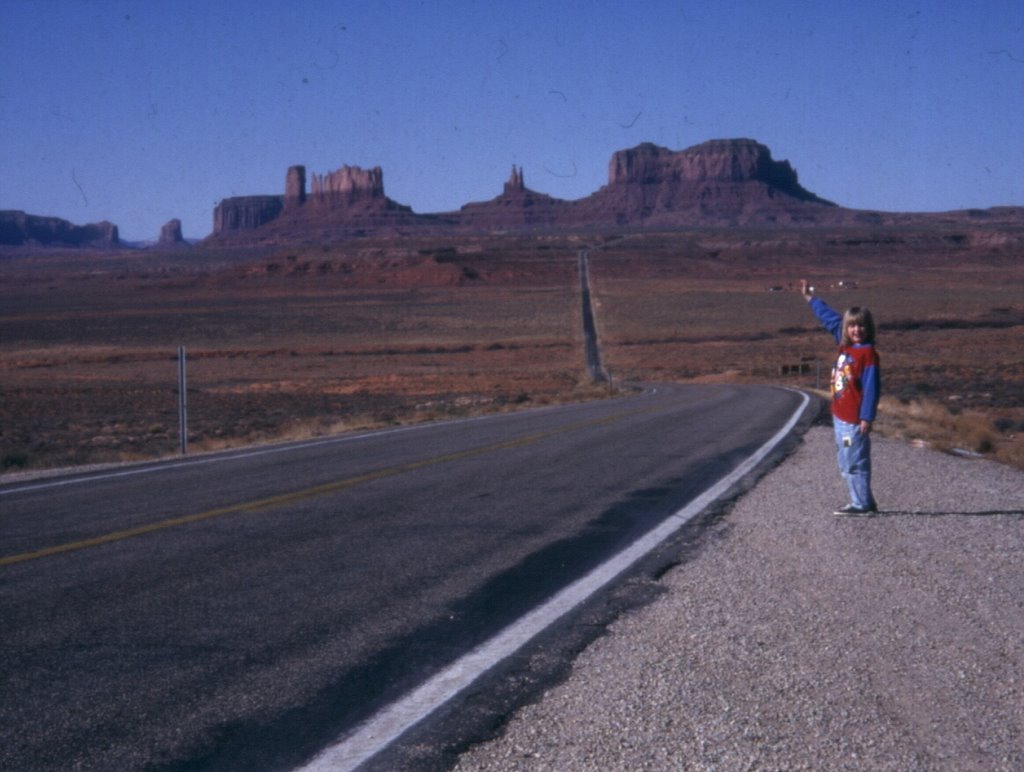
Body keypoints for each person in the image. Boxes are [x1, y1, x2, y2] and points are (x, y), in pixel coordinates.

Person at [800, 279, 880, 515]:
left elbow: (871, 387)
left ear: (869, 328)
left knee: (852, 460)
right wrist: (810, 298)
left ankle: (861, 504)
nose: (856, 330)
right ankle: (864, 500)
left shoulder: (867, 354)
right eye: (852, 326)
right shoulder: (844, 345)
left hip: (853, 422)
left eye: (861, 326)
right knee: (846, 457)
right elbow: (830, 318)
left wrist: (866, 417)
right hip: (840, 418)